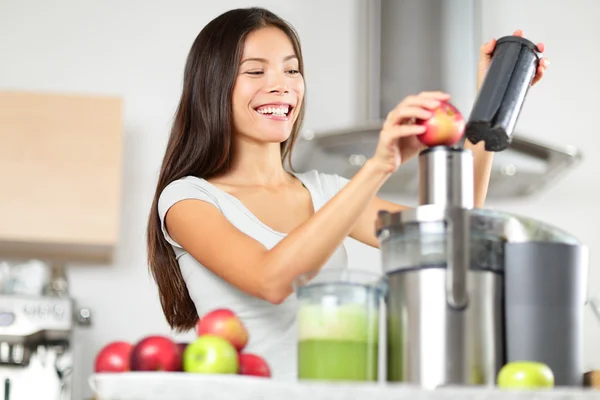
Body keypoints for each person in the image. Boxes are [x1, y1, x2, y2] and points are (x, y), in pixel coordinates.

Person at [146, 7, 548, 379]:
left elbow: (450, 237)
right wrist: (378, 166)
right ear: (212, 86)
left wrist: (489, 102)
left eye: (292, 70)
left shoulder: (326, 192)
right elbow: (270, 280)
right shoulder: (188, 199)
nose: (281, 86)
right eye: (255, 72)